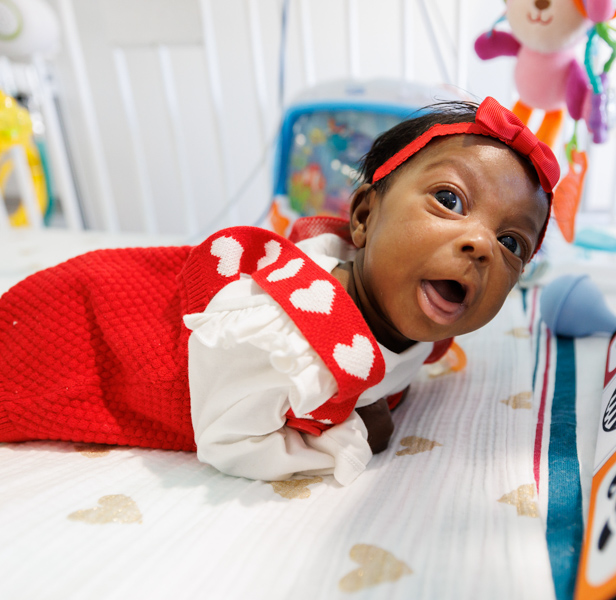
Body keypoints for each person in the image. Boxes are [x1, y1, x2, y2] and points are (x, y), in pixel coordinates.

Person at [0, 96, 559, 485]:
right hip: (88, 327)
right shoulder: (291, 333)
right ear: (362, 218)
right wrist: (349, 432)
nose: (482, 245)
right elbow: (228, 439)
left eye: (512, 242)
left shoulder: (413, 312)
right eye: (450, 200)